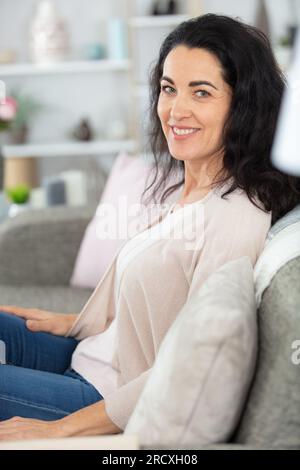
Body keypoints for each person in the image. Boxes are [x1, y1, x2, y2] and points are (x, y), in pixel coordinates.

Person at [0, 14, 299, 442]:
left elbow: (179, 369)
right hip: (87, 356)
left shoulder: (236, 217)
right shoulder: (193, 186)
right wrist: (71, 322)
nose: (176, 110)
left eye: (202, 92)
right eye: (168, 88)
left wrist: (60, 427)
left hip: (99, 397)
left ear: (242, 106)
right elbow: (155, 298)